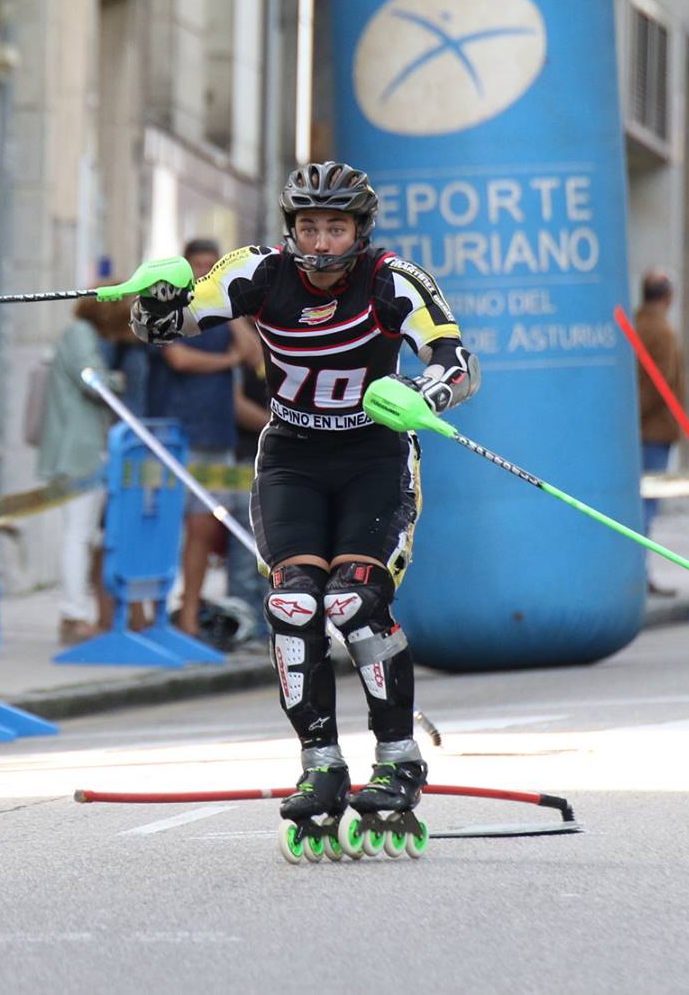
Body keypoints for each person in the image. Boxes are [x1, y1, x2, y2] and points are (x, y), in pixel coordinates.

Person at [131, 161, 479, 838]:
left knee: (353, 601)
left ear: (360, 230)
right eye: (309, 226)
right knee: (293, 605)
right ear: (291, 227)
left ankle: (398, 760)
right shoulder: (258, 273)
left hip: (374, 457)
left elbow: (458, 363)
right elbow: (162, 328)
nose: (320, 242)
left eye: (335, 227)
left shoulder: (391, 280)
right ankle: (321, 766)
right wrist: (155, 295)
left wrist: (424, 392)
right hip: (292, 457)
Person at [149, 237, 263, 638]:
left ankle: (189, 615)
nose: (204, 273)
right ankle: (152, 613)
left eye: (212, 267)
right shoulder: (167, 307)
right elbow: (178, 358)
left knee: (203, 530)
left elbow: (253, 354)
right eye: (198, 265)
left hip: (217, 435)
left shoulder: (221, 314)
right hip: (177, 434)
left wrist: (231, 312)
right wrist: (227, 360)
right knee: (164, 529)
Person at [38, 297, 124, 643]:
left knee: (85, 534)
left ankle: (79, 612)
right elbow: (92, 380)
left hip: (85, 449)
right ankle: (72, 615)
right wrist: (118, 381)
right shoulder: (80, 333)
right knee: (78, 534)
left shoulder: (82, 333)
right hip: (79, 451)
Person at [631, 269, 683, 597]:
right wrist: (633, 420)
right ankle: (640, 575)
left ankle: (636, 574)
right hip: (652, 432)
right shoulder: (662, 331)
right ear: (668, 296)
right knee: (646, 509)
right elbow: (657, 385)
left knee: (638, 508)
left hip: (641, 431)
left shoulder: (636, 323)